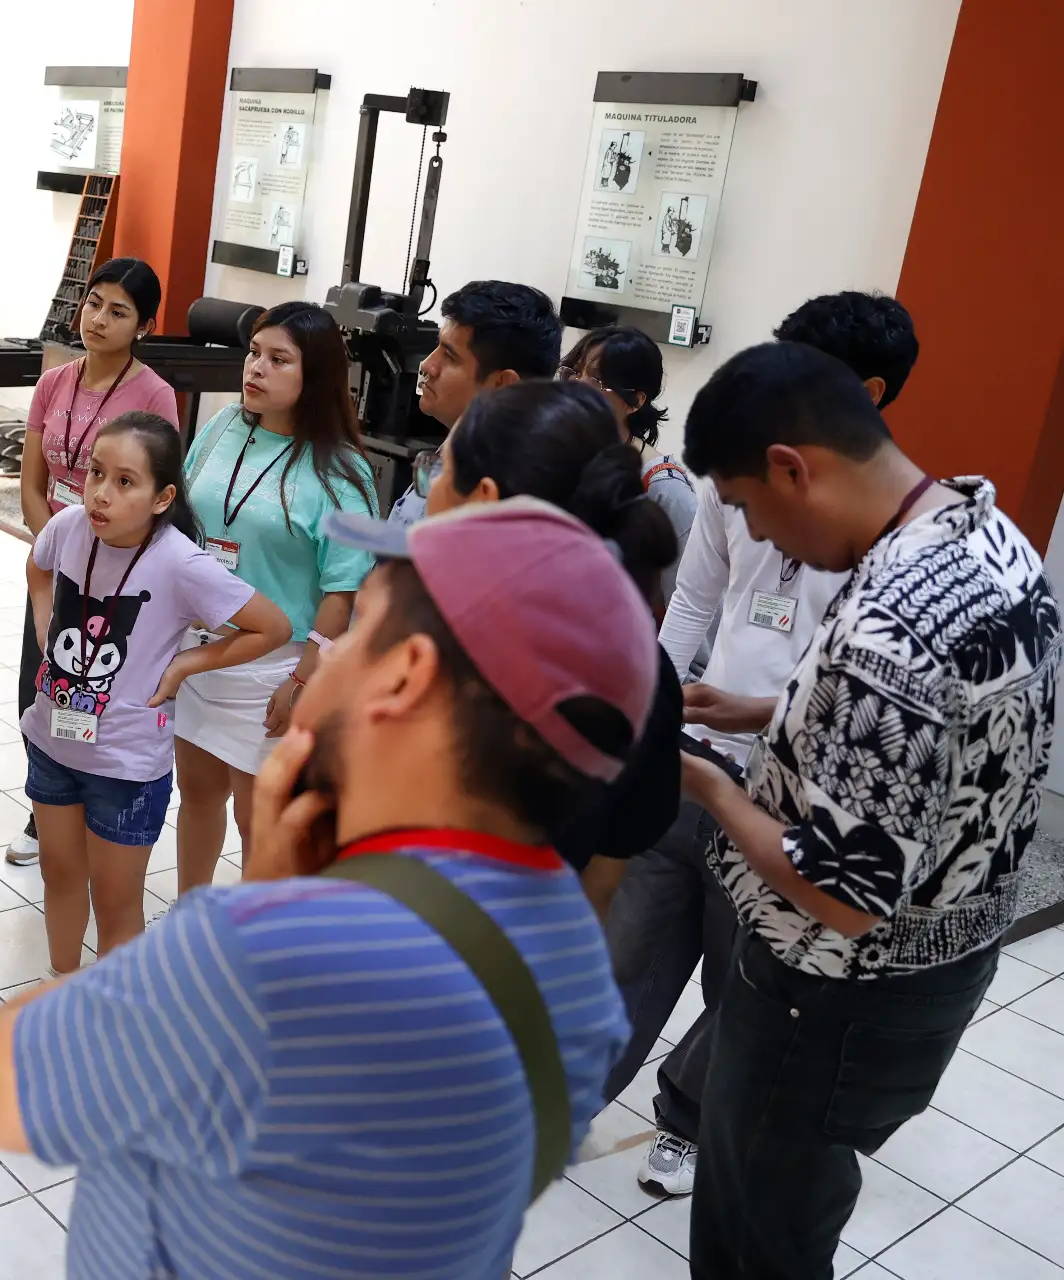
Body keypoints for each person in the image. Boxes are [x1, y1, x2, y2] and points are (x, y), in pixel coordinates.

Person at [0, 497, 649, 1280]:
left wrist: (264, 900)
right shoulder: (580, 961)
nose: (328, 650)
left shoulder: (260, 944)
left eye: (354, 632)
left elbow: (6, 1086)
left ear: (402, 678)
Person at [675, 341, 1059, 1277]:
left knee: (754, 1244)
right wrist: (771, 710)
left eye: (748, 509)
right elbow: (946, 735)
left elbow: (844, 894)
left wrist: (705, 780)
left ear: (791, 468)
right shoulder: (980, 532)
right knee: (796, 1207)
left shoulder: (891, 625)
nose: (759, 539)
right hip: (935, 964)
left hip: (830, 994)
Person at [605, 290, 918, 1200]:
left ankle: (687, 1120)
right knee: (628, 945)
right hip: (695, 748)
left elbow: (857, 711)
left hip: (787, 788)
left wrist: (757, 719)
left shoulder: (890, 535)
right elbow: (697, 602)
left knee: (744, 982)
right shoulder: (731, 480)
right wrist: (656, 702)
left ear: (865, 393)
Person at [24, 411, 288, 974]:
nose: (101, 494)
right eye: (96, 473)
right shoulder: (69, 527)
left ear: (162, 497)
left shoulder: (180, 562)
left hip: (125, 763)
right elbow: (38, 567)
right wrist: (46, 628)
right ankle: (62, 989)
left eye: (125, 482)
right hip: (52, 743)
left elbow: (272, 627)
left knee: (116, 901)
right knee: (60, 875)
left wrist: (185, 666)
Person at [417, 381, 684, 913]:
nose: (429, 488)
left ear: (484, 501)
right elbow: (600, 885)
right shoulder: (646, 672)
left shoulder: (436, 646)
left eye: (440, 469)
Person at [173, 302, 378, 893]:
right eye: (254, 353)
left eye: (278, 359)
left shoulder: (341, 472)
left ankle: (250, 947)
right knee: (197, 796)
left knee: (256, 817)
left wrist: (303, 682)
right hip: (202, 650)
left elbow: (342, 592)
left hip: (274, 668)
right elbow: (186, 521)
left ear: (313, 376)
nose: (255, 369)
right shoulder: (223, 427)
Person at [8, 258, 179, 867]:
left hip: (118, 570)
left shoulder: (153, 393)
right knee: (41, 681)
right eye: (94, 302)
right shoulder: (55, 380)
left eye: (119, 311)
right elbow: (32, 481)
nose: (99, 319)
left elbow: (149, 490)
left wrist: (89, 555)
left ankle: (92, 810)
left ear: (144, 326)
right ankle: (43, 810)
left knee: (95, 687)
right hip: (57, 555)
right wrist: (54, 546)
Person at [386, 279, 562, 525]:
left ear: (503, 385)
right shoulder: (453, 454)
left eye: (449, 355)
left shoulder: (495, 505)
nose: (427, 365)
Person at [557, 325, 694, 598]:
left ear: (634, 401)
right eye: (573, 372)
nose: (575, 385)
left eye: (596, 381)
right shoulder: (557, 458)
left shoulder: (664, 487)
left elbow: (689, 601)